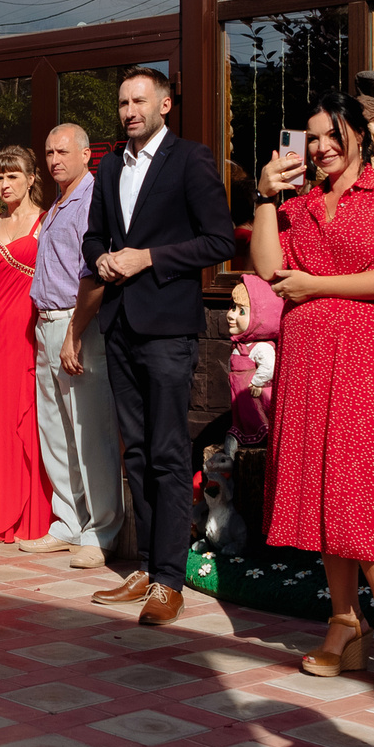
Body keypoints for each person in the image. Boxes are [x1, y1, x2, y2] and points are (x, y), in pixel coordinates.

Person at [248, 93, 374, 693]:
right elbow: (270, 268)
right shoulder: (296, 203)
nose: (321, 147)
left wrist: (318, 284)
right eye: (312, 137)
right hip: (306, 355)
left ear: (359, 134)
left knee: (359, 488)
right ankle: (346, 624)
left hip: (363, 354)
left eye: (332, 134)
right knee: (322, 486)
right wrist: (265, 197)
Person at [74, 71, 238, 627]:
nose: (128, 110)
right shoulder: (109, 165)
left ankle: (171, 579)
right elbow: (94, 235)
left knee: (169, 454)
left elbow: (219, 239)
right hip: (118, 323)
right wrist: (100, 258)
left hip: (168, 328)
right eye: (122, 102)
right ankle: (145, 567)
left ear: (166, 103)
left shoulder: (191, 159)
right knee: (137, 452)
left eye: (139, 100)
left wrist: (149, 257)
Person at [27, 124, 123, 568]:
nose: (53, 160)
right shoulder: (57, 204)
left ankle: (101, 531)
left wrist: (74, 332)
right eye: (48, 152)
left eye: (62, 151)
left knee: (90, 431)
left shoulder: (91, 201)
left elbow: (93, 274)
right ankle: (68, 521)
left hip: (76, 324)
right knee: (57, 432)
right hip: (47, 322)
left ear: (88, 154)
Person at [0, 145, 53, 544]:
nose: (4, 184)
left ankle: (25, 517)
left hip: (26, 327)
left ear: (32, 178)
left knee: (24, 419)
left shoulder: (47, 220)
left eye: (12, 176)